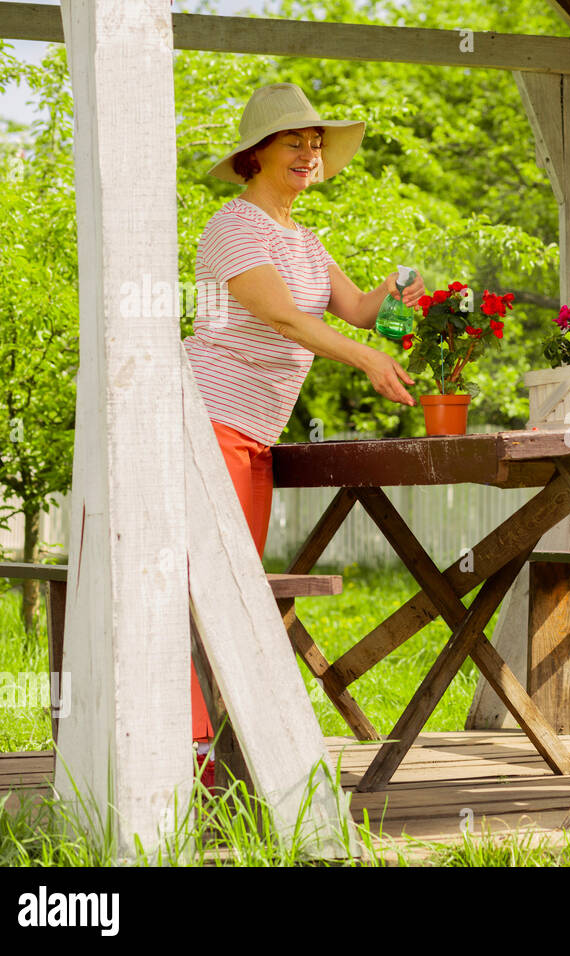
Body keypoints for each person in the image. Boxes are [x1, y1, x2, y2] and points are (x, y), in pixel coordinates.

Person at [184, 83, 425, 778]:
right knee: (207, 587)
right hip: (211, 421)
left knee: (233, 588)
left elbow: (356, 311)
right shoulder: (233, 226)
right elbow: (285, 319)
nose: (308, 152)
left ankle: (212, 748)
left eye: (314, 142)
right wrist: (368, 358)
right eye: (294, 140)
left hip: (255, 433)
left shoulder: (306, 240)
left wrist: (401, 294)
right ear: (255, 153)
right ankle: (191, 752)